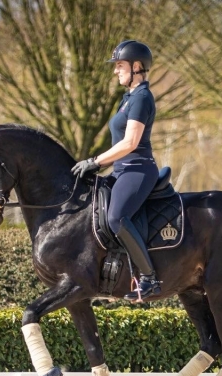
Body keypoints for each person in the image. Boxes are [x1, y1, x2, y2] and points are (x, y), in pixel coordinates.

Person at [71, 40, 161, 301]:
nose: (115, 71)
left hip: (138, 169)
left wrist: (96, 161)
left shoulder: (142, 98)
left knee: (115, 218)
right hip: (121, 170)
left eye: (119, 65)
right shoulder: (129, 98)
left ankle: (149, 279)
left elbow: (130, 143)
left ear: (136, 67)